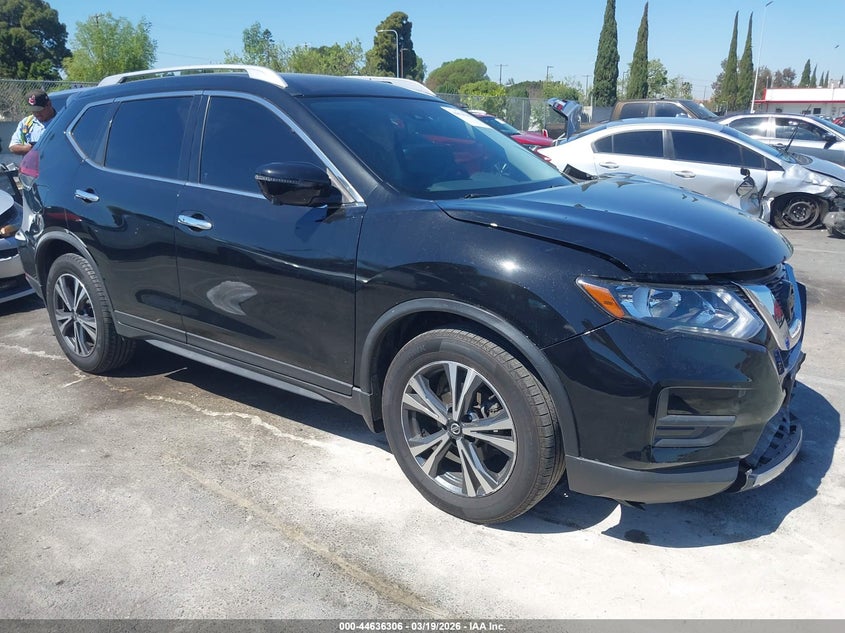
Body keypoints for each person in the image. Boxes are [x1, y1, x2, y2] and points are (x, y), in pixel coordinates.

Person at [8, 89, 57, 155]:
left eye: (39, 110)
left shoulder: (62, 121)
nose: (36, 113)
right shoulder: (26, 122)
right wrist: (30, 149)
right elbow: (13, 146)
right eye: (33, 110)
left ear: (49, 104)